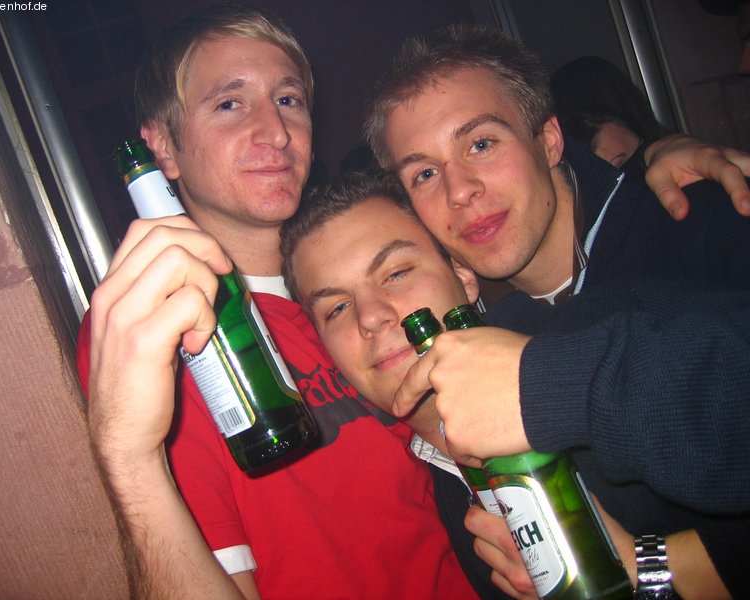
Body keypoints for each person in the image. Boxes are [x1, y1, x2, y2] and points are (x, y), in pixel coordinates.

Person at [78, 4, 750, 598]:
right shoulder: (169, 333)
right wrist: (126, 458)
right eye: (230, 103)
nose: (274, 131)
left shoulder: (552, 338)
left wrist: (640, 169)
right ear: (160, 146)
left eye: (288, 99)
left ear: (457, 273)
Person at [364, 24, 750, 597]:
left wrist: (547, 384)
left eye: (481, 144)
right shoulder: (480, 343)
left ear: (547, 140)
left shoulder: (703, 220)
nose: (459, 190)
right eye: (424, 173)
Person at [279, 169, 750, 599]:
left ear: (462, 276)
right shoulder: (440, 492)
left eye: (397, 273)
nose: (370, 317)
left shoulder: (604, 330)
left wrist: (640, 568)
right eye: (336, 308)